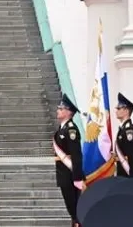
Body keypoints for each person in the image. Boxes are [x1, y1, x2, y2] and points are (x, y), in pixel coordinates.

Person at [52, 93, 84, 227]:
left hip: (70, 175)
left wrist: (77, 178)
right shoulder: (62, 129)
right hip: (64, 174)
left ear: (68, 112)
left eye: (61, 108)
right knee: (71, 208)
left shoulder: (71, 130)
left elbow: (76, 155)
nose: (58, 110)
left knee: (75, 208)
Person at [114, 92, 133, 178]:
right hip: (122, 171)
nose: (116, 111)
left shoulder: (129, 130)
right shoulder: (122, 129)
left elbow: (132, 155)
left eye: (118, 108)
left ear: (126, 110)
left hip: (128, 173)